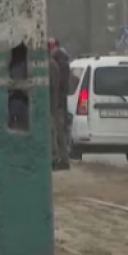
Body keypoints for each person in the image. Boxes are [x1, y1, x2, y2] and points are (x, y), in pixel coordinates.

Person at [49, 38, 73, 170]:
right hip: (56, 101)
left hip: (58, 102)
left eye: (52, 47)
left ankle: (62, 159)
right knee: (56, 131)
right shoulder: (57, 62)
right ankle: (60, 158)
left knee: (58, 131)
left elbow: (59, 85)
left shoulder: (60, 64)